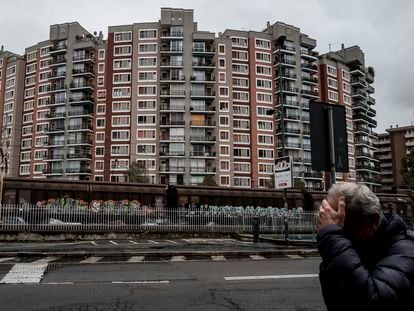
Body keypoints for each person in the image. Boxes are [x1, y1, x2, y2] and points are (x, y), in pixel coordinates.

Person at [317, 182, 414, 310]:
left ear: (372, 222)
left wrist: (332, 236)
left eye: (344, 228)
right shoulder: (358, 248)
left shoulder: (407, 249)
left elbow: (372, 302)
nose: (341, 235)